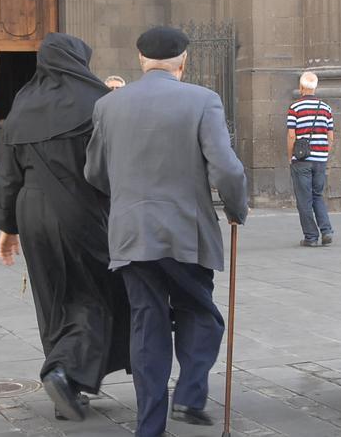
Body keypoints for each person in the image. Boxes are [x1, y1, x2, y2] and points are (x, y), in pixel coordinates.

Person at [85, 26, 248, 437]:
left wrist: (129, 197)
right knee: (202, 314)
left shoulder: (109, 106)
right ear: (184, 61)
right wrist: (235, 209)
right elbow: (227, 168)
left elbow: (94, 172)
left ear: (140, 59)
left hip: (131, 232)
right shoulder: (202, 100)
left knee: (147, 325)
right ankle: (191, 394)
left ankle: (149, 426)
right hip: (185, 232)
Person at [0, 33, 132, 422]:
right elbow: (112, 166)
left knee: (52, 296)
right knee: (94, 292)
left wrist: (8, 227)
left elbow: (8, 174)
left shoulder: (23, 103)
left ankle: (68, 392)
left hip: (31, 211)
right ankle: (63, 372)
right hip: (80, 209)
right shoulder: (97, 101)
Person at [286, 72, 334, 247]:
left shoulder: (295, 108)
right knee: (317, 195)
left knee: (304, 199)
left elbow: (292, 136)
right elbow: (331, 137)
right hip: (320, 159)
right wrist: (324, 154)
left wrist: (290, 156)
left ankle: (311, 237)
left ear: (301, 87)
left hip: (302, 160)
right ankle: (326, 230)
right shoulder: (326, 108)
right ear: (315, 87)